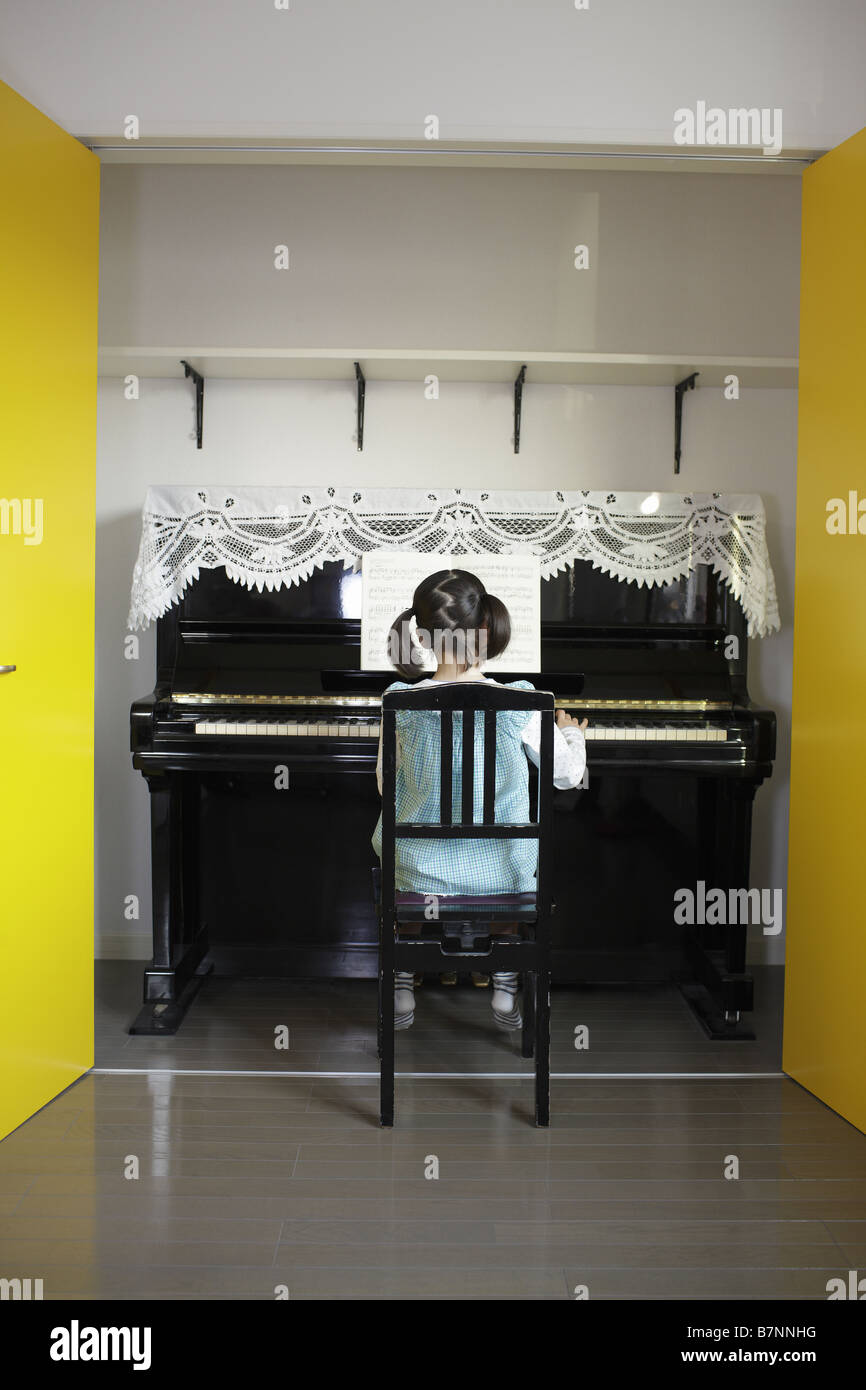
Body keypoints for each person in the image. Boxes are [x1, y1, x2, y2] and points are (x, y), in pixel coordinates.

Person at [372, 568, 587, 1031]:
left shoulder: (398, 702)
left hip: (419, 871)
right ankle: (505, 982)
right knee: (507, 870)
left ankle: (403, 978)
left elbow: (384, 787)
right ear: (487, 631)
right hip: (500, 873)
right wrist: (570, 734)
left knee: (402, 864)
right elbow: (568, 778)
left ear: (423, 637)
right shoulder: (522, 703)